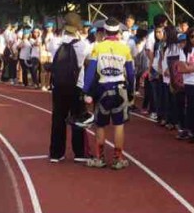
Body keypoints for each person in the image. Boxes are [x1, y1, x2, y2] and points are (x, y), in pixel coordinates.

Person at [82, 18, 135, 170]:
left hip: (102, 90)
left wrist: (86, 91)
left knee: (100, 125)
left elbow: (91, 71)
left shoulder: (98, 48)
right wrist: (131, 91)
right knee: (119, 125)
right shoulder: (124, 49)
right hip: (120, 89)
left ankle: (100, 158)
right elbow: (131, 73)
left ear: (104, 31)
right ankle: (117, 159)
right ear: (118, 32)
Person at [48, 12, 89, 163]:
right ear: (77, 28)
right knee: (78, 118)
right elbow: (87, 62)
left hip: (58, 86)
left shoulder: (54, 43)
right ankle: (79, 153)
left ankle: (56, 153)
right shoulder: (83, 45)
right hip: (76, 85)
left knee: (58, 118)